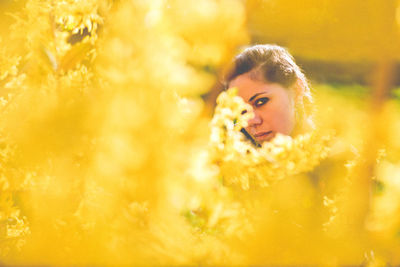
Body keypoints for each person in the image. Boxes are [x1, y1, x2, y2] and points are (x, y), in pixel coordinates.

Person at [224, 44, 314, 144]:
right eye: (241, 111)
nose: (251, 121)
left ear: (296, 89)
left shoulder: (330, 153)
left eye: (261, 102)